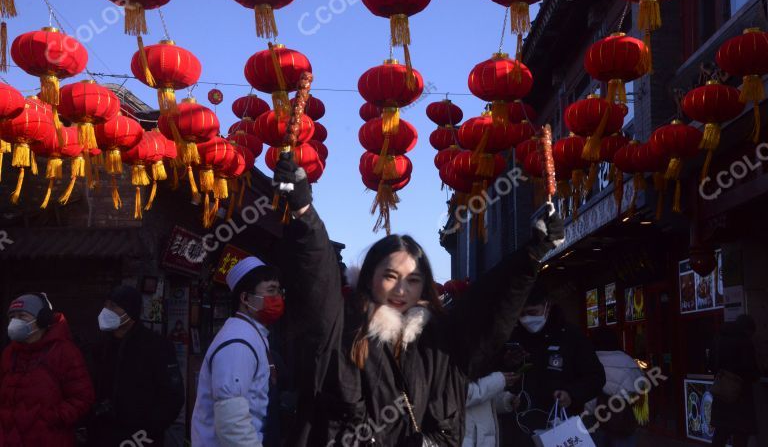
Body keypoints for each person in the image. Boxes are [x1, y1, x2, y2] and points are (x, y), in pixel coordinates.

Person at [271, 155, 564, 446]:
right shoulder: (344, 330)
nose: (401, 290)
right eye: (390, 276)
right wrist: (305, 212)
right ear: (369, 278)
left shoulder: (437, 342)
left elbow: (487, 308)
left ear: (424, 286)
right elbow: (318, 283)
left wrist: (531, 256)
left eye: (412, 280)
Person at [191, 258, 284, 446]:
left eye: (279, 291)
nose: (278, 298)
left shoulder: (253, 335)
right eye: (271, 291)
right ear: (245, 298)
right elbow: (231, 422)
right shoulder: (238, 343)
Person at [498, 286, 605, 447]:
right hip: (518, 429)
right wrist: (506, 364)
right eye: (522, 314)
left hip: (560, 425)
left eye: (532, 312)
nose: (526, 319)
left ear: (547, 307)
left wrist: (571, 394)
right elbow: (492, 375)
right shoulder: (512, 338)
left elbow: (596, 377)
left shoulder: (571, 336)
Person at [87, 285, 185, 447]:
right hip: (103, 437)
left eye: (113, 306)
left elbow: (172, 398)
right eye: (105, 305)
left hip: (141, 439)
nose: (106, 311)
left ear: (130, 311)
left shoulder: (156, 346)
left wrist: (143, 436)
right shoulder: (101, 346)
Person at [0, 293, 94, 446]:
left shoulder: (65, 352)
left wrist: (52, 418)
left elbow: (82, 397)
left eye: (22, 316)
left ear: (42, 320)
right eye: (12, 317)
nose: (15, 321)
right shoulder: (9, 353)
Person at [584, 327, 645, 447]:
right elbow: (639, 391)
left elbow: (584, 395)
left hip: (593, 421)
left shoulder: (588, 362)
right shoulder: (629, 363)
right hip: (622, 420)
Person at [710, 314, 760, 447]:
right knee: (741, 433)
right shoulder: (744, 341)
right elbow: (751, 370)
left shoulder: (718, 338)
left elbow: (711, 364)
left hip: (721, 392)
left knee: (721, 433)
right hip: (739, 396)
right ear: (747, 329)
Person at [463, 371, 519, 447]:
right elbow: (463, 394)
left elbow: (487, 402)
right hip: (466, 440)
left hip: (484, 440)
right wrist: (498, 381)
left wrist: (507, 401)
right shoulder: (446, 364)